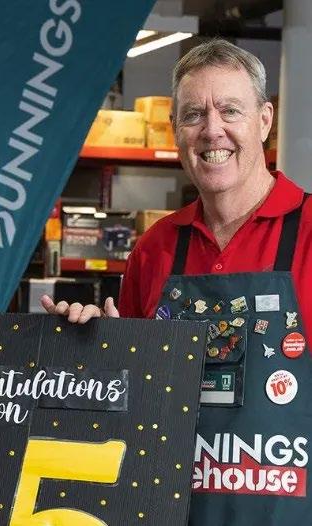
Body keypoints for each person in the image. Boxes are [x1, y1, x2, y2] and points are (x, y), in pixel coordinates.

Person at [43, 39, 312, 524]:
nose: (212, 130)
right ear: (176, 130)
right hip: (169, 510)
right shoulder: (155, 248)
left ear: (264, 121)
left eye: (230, 110)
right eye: (193, 115)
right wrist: (94, 345)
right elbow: (130, 400)